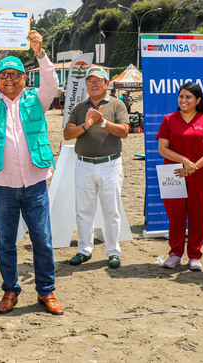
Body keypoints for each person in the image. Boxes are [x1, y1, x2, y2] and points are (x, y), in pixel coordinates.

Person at [0, 30, 63, 315]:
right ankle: (10, 289)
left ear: (23, 79)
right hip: (2, 184)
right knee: (6, 241)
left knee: (42, 239)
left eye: (14, 75)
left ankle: (46, 291)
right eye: (3, 75)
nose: (9, 79)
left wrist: (40, 52)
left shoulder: (37, 100)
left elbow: (52, 83)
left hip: (35, 183)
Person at [63, 66, 130, 269]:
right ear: (86, 85)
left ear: (106, 84)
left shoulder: (117, 104)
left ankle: (113, 252)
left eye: (98, 81)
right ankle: (84, 250)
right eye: (90, 81)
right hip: (84, 164)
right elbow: (67, 133)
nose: (93, 84)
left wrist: (102, 123)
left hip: (110, 164)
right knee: (83, 210)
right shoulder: (79, 107)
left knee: (111, 210)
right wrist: (86, 125)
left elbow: (125, 131)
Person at [157, 83, 203, 271]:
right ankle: (175, 253)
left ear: (198, 100)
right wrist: (184, 161)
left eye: (188, 97)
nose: (183, 100)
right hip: (173, 174)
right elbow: (163, 149)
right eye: (181, 96)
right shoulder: (169, 119)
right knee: (175, 216)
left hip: (200, 175)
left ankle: (194, 255)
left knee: (197, 216)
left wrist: (193, 167)